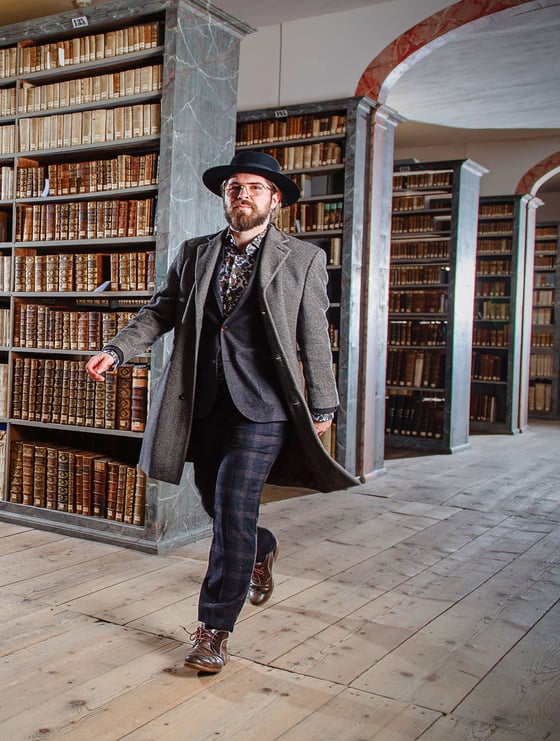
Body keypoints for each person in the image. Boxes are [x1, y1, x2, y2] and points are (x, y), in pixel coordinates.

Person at [85, 151, 359, 673]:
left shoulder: (302, 258)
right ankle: (261, 547)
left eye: (255, 188)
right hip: (203, 403)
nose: (243, 196)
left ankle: (213, 630)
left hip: (265, 406)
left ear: (274, 198)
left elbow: (314, 337)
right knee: (218, 504)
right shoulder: (194, 254)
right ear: (225, 197)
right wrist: (118, 349)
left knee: (233, 509)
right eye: (235, 188)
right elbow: (161, 310)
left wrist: (324, 402)